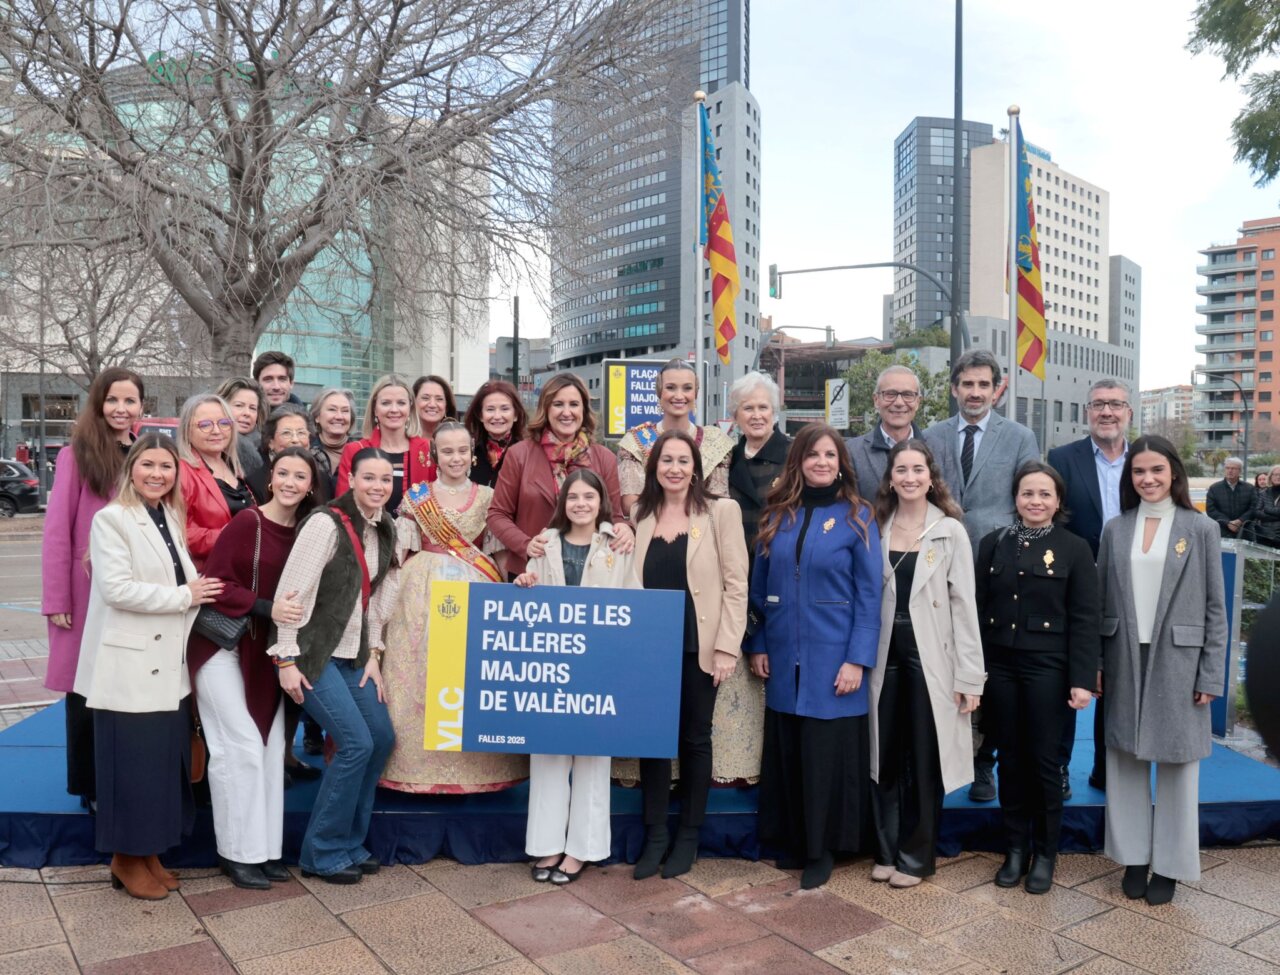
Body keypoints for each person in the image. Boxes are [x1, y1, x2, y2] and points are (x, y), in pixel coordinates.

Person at [74, 435, 224, 899]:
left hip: (166, 665)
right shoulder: (111, 519)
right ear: (132, 468)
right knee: (131, 770)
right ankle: (124, 858)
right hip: (129, 666)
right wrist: (185, 597)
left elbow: (187, 580)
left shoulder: (170, 517)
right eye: (149, 465)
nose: (158, 474)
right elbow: (117, 589)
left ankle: (149, 854)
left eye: (166, 466)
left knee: (159, 769)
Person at [747, 424, 881, 889]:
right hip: (785, 656)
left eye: (830, 454)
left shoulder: (859, 516)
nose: (821, 462)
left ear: (842, 462)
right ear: (798, 462)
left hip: (834, 660)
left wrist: (857, 659)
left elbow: (870, 596)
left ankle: (824, 850)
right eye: (812, 455)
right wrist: (758, 644)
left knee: (826, 759)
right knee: (790, 753)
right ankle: (795, 840)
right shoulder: (778, 515)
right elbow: (758, 590)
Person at [1098, 435, 1227, 906]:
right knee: (1126, 759)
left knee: (1177, 766)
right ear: (1129, 479)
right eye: (1138, 472)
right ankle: (1133, 857)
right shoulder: (1116, 528)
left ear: (1173, 472)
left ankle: (1170, 865)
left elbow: (1216, 608)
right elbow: (1099, 600)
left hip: (1180, 660)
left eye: (1156, 470)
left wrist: (1211, 675)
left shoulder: (1200, 528)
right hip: (1124, 653)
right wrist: (1095, 662)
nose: (1147, 479)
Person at [270, 448, 400, 884]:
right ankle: (321, 851)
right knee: (355, 744)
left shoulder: (387, 528)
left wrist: (375, 654)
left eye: (385, 479)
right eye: (369, 478)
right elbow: (291, 595)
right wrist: (286, 658)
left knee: (380, 739)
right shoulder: (325, 523)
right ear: (351, 479)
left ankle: (349, 843)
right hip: (311, 654)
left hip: (354, 655)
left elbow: (380, 599)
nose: (378, 486)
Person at [189, 448, 315, 889]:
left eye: (300, 476)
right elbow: (217, 584)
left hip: (266, 654)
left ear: (310, 486)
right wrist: (267, 606)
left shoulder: (306, 533)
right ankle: (235, 854)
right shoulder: (248, 522)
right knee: (237, 748)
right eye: (283, 473)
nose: (290, 482)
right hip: (221, 647)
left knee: (266, 751)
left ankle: (264, 852)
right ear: (271, 478)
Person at [379, 422, 526, 793]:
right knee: (421, 672)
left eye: (463, 450)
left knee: (468, 674)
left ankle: (480, 770)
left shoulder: (488, 496)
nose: (456, 458)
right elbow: (400, 553)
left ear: (472, 453)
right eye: (448, 451)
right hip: (422, 591)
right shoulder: (417, 497)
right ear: (434, 455)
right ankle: (416, 769)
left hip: (477, 589)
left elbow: (500, 554)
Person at [975, 462, 1099, 894]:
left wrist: (1082, 679)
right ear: (1015, 498)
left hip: (1049, 668)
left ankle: (1045, 854)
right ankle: (1014, 850)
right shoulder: (993, 544)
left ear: (1058, 501)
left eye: (1045, 494)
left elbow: (1085, 619)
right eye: (1028, 493)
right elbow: (977, 609)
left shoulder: (1075, 548)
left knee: (1045, 764)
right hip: (1001, 668)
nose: (1035, 501)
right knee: (1009, 759)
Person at [629, 430, 748, 880]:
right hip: (650, 650)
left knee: (694, 741)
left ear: (696, 468)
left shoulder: (720, 512)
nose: (674, 468)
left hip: (701, 648)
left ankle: (689, 837)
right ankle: (655, 834)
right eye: (666, 461)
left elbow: (737, 584)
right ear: (653, 468)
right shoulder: (639, 516)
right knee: (653, 742)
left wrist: (726, 648)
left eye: (682, 461)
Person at [923, 349, 1038, 802]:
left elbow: (1030, 501)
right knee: (943, 662)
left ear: (997, 389)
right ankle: (939, 756)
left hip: (1000, 570)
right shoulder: (931, 436)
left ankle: (983, 761)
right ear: (954, 389)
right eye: (966, 384)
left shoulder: (1020, 437)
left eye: (983, 385)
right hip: (941, 565)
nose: (974, 392)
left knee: (989, 667)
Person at [869, 439, 985, 887]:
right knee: (884, 756)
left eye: (918, 469)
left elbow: (964, 607)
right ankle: (885, 850)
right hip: (884, 657)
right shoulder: (877, 525)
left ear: (931, 476)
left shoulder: (950, 530)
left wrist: (970, 677)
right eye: (901, 469)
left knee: (923, 758)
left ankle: (916, 857)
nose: (910, 477)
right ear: (891, 477)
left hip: (931, 658)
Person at [515, 470, 636, 884]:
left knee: (591, 759)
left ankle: (581, 850)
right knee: (548, 757)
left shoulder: (618, 545)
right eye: (573, 498)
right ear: (562, 503)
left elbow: (633, 602)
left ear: (602, 502)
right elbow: (528, 590)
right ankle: (547, 846)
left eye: (589, 497)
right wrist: (525, 582)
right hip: (552, 668)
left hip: (600, 665)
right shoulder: (544, 543)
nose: (581, 504)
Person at [43, 367, 144, 812]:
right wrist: (57, 599)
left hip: (137, 587)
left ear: (142, 406)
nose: (121, 409)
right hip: (87, 593)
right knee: (85, 689)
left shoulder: (145, 452)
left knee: (125, 686)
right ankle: (90, 785)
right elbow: (57, 532)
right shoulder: (77, 454)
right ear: (99, 403)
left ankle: (124, 776)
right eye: (113, 400)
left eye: (130, 401)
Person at [1047, 379, 1132, 796]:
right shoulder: (1062, 459)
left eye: (1115, 404)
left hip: (1133, 589)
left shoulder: (1145, 460)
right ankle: (1060, 766)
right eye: (1099, 404)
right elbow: (1054, 520)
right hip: (1076, 587)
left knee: (1119, 677)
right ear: (1087, 412)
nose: (1107, 412)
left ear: (1128, 412)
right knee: (1072, 676)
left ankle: (1108, 767)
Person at [488, 372, 630, 578]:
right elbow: (497, 514)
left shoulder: (604, 458)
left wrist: (625, 528)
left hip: (591, 574)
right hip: (532, 572)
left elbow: (616, 516)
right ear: (546, 408)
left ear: (583, 409)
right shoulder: (519, 454)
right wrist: (525, 544)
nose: (566, 412)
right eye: (558, 404)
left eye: (574, 404)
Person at [617, 359, 733, 518]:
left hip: (703, 535)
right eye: (671, 388)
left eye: (687, 388)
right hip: (652, 532)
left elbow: (720, 504)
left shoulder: (715, 441)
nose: (679, 396)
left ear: (696, 393)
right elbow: (631, 505)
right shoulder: (636, 441)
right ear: (659, 392)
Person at [177, 394, 255, 571]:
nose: (217, 431)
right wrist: (229, 536)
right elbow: (179, 532)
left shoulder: (234, 466)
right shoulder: (181, 471)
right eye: (205, 425)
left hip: (241, 572)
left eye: (224, 423)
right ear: (187, 430)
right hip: (209, 576)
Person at [336, 375, 433, 508]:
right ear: (375, 409)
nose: (394, 409)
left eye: (401, 403)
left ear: (410, 409)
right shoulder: (355, 450)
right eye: (386, 403)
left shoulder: (427, 450)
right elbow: (343, 506)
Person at [726, 371, 790, 565]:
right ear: (736, 416)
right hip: (738, 566)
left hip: (781, 564)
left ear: (774, 412)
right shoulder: (727, 459)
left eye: (763, 407)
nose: (757, 415)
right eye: (748, 408)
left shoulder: (795, 455)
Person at [846, 364, 925, 499]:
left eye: (907, 395)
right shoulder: (851, 452)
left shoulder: (939, 448)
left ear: (918, 402)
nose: (899, 402)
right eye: (890, 394)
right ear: (876, 400)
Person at [246, 405, 321, 504]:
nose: (295, 440)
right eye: (286, 433)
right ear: (270, 442)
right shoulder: (254, 481)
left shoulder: (321, 478)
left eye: (301, 433)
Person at [464, 379, 528, 490]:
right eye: (490, 409)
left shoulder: (528, 453)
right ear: (480, 415)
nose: (497, 416)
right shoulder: (467, 450)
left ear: (516, 415)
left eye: (505, 409)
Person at [217, 377, 267, 483]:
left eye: (253, 408)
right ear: (221, 407)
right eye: (239, 405)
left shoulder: (266, 449)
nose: (247, 413)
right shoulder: (211, 449)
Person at [310, 388, 358, 496]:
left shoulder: (361, 452)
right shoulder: (306, 451)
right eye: (332, 410)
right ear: (317, 416)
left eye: (345, 411)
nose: (339, 416)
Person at [1207, 458, 1256, 540]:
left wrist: (1240, 521)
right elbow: (1211, 509)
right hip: (1222, 531)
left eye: (1233, 468)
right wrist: (1227, 523)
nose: (1230, 471)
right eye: (1227, 468)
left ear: (1240, 471)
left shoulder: (1249, 488)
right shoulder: (1214, 488)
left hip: (1245, 531)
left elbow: (1254, 508)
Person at [413, 374, 457, 442]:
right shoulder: (401, 440)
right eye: (425, 398)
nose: (432, 405)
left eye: (439, 399)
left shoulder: (457, 440)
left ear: (447, 406)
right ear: (413, 402)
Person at [1253, 465, 1280, 548]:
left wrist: (1267, 510)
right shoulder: (1264, 493)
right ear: (1270, 477)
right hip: (1264, 534)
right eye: (1275, 474)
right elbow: (1257, 512)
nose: (1278, 477)